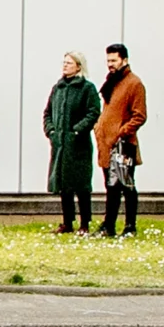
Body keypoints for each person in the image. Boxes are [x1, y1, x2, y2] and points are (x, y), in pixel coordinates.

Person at [43, 50, 101, 234]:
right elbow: (47, 113)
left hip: (78, 145)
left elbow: (93, 112)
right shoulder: (57, 88)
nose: (65, 65)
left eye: (69, 62)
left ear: (78, 66)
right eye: (64, 62)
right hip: (60, 144)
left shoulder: (87, 88)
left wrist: (77, 130)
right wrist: (51, 131)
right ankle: (67, 222)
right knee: (63, 184)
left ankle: (85, 223)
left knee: (81, 185)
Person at [93, 44, 147, 237]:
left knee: (126, 185)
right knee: (111, 186)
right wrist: (100, 127)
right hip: (106, 143)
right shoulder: (112, 82)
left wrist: (121, 132)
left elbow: (139, 115)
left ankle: (130, 226)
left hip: (123, 145)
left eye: (114, 60)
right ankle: (109, 225)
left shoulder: (134, 83)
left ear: (125, 60)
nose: (110, 65)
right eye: (108, 61)